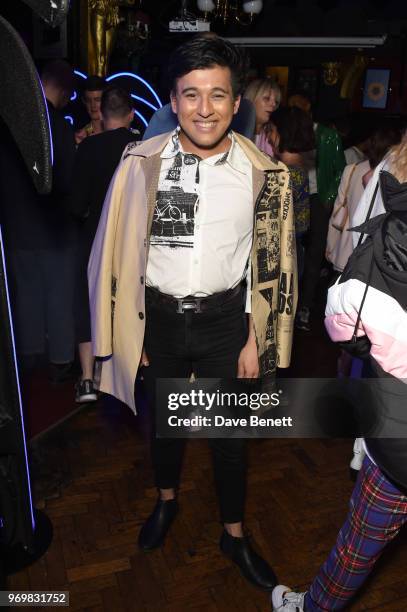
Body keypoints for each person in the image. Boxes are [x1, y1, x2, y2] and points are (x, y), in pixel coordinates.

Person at [88, 36, 297, 590]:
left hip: (227, 323)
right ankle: (166, 501)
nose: (204, 109)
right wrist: (134, 329)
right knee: (166, 426)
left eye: (218, 95)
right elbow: (115, 252)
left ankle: (234, 535)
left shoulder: (263, 175)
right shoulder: (139, 166)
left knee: (229, 438)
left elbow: (265, 265)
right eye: (191, 95)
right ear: (174, 101)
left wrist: (252, 337)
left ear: (235, 103)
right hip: (157, 320)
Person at [271, 167, 407, 612]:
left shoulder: (393, 240)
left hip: (399, 439)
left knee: (358, 544)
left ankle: (311, 608)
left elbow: (341, 320)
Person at [0, 60, 77, 382]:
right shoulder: (56, 123)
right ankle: (61, 361)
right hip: (52, 225)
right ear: (62, 90)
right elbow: (68, 178)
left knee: (27, 291)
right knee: (59, 293)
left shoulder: (9, 122)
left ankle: (30, 355)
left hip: (16, 224)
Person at [69, 86, 137, 402]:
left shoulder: (89, 148)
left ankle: (86, 380)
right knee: (124, 303)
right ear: (131, 115)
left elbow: (76, 203)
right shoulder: (142, 149)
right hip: (130, 240)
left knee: (87, 302)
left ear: (102, 114)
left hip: (93, 234)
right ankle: (120, 375)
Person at [289, 92, 346, 332]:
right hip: (291, 197)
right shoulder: (285, 130)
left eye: (299, 107)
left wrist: (329, 199)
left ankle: (304, 307)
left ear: (309, 108)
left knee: (313, 256)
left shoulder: (326, 135)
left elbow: (339, 171)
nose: (295, 111)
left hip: (317, 200)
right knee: (291, 254)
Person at [266, 106, 315, 278]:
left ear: (283, 133)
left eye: (271, 130)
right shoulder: (297, 169)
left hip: (283, 258)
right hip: (293, 252)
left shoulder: (286, 175)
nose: (268, 137)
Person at [244, 78, 281, 155]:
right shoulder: (236, 132)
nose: (273, 104)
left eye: (276, 101)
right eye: (267, 98)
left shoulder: (271, 134)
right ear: (252, 99)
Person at [75, 75, 106, 144]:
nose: (93, 105)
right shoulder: (80, 136)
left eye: (97, 100)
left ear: (106, 100)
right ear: (84, 101)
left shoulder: (116, 131)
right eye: (88, 100)